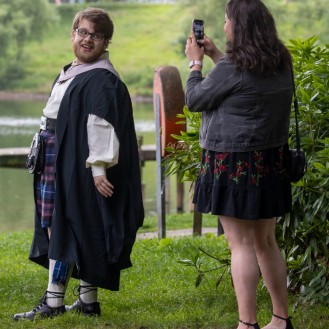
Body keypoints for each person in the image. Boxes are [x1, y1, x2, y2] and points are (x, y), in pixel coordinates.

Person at [14, 7, 144, 320]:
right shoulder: (73, 71)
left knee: (64, 225)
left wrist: (98, 167)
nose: (87, 39)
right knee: (75, 224)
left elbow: (100, 123)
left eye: (96, 35)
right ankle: (87, 300)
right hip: (56, 154)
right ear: (73, 34)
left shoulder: (101, 78)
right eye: (82, 32)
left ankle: (54, 302)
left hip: (76, 162)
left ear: (106, 41)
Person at [185, 1, 294, 329]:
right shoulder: (279, 59)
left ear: (241, 26)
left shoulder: (233, 66)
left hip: (233, 163)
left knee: (242, 244)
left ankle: (247, 325)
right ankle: (280, 320)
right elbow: (244, 86)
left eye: (228, 20)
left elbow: (195, 99)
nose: (226, 26)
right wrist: (217, 56)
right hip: (270, 160)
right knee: (266, 241)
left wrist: (194, 64)